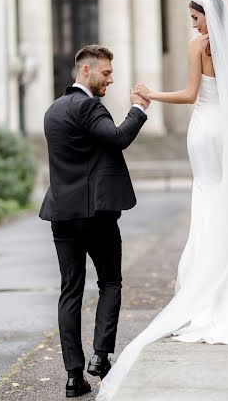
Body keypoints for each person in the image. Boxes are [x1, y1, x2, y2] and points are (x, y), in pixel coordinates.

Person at [97, 0, 228, 400]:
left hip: (204, 130)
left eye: (196, 18)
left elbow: (190, 96)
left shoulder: (198, 48)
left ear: (210, 14)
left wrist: (151, 95)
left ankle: (207, 283)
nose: (194, 25)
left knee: (209, 201)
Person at [40, 44, 150, 398]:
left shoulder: (53, 110)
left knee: (69, 291)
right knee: (111, 282)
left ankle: (74, 376)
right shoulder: (88, 106)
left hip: (62, 214)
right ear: (85, 72)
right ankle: (100, 357)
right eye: (106, 73)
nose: (111, 79)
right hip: (96, 215)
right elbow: (118, 138)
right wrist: (138, 109)